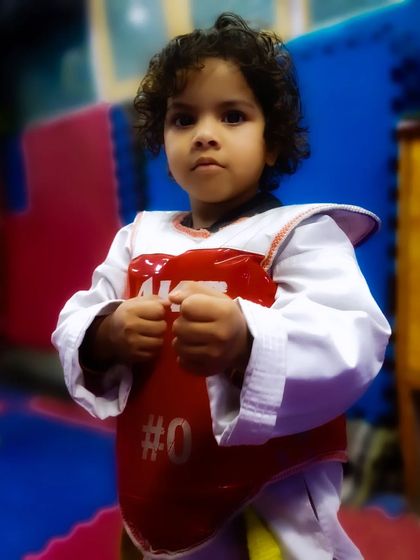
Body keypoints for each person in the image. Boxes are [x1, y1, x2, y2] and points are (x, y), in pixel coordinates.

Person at [52, 12, 390, 560]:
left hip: (265, 501)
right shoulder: (137, 240)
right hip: (158, 481)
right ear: (163, 141)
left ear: (271, 142)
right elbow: (75, 319)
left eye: (232, 116)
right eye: (183, 119)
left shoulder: (299, 235)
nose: (205, 134)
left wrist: (247, 339)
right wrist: (104, 333)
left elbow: (354, 337)